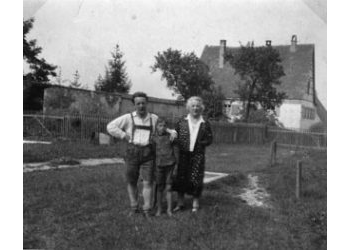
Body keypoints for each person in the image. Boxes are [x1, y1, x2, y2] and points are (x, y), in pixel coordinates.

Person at [106, 92, 176, 218]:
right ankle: (134, 207)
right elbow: (110, 127)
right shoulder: (128, 118)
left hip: (148, 153)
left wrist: (172, 132)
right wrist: (122, 135)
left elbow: (164, 128)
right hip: (132, 152)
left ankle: (147, 209)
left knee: (148, 182)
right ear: (134, 104)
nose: (141, 106)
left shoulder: (153, 118)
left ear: (146, 103)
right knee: (131, 181)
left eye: (143, 103)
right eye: (138, 103)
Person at [172, 96, 213, 213]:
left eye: (198, 106)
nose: (195, 108)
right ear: (189, 108)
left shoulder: (205, 123)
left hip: (198, 155)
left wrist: (201, 143)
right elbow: (175, 133)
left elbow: (210, 139)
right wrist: (173, 136)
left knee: (196, 178)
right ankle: (180, 203)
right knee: (181, 177)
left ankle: (195, 203)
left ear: (201, 108)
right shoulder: (181, 121)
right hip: (183, 154)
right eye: (193, 106)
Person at [151, 118, 179, 217]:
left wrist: (176, 165)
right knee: (159, 188)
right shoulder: (153, 138)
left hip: (170, 165)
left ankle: (169, 210)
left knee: (169, 187)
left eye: (164, 126)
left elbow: (176, 150)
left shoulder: (170, 137)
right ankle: (159, 209)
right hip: (159, 166)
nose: (162, 128)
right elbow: (152, 153)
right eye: (160, 126)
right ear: (156, 127)